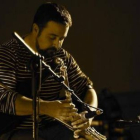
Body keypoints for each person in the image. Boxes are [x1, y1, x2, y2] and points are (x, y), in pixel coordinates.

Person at [0, 2, 98, 140]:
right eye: (52, 37)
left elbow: (88, 88)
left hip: (54, 130)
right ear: (35, 29)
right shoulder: (9, 53)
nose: (57, 44)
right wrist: (47, 108)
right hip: (17, 132)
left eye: (61, 39)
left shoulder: (62, 56)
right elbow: (2, 98)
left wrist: (88, 115)